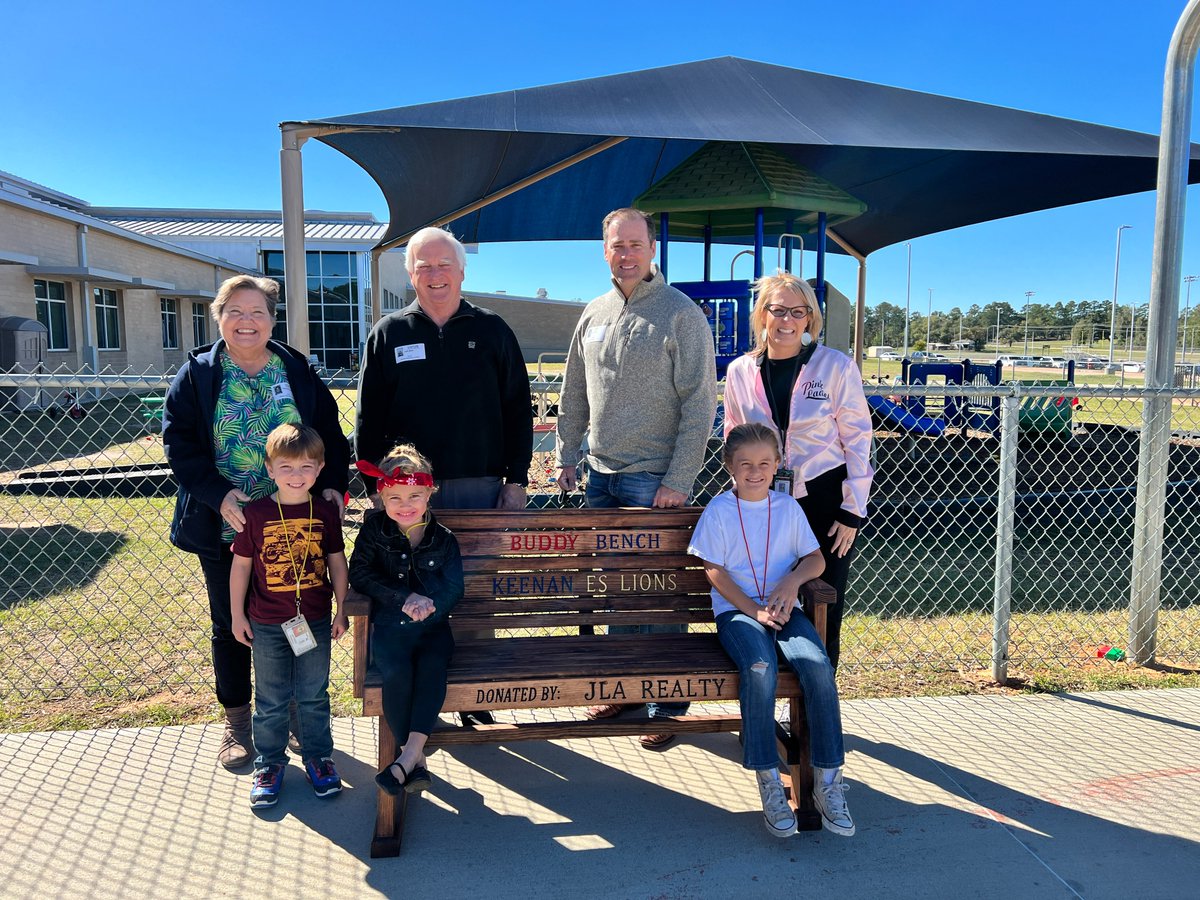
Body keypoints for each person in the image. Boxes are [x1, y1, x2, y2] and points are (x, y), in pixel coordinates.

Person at [163, 274, 351, 770]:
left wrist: (332, 481)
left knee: (293, 612)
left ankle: (289, 714)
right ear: (218, 317)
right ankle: (238, 724)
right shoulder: (199, 375)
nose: (247, 322)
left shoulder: (295, 370)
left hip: (297, 524)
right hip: (226, 524)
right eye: (236, 312)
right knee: (232, 625)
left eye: (258, 313)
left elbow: (329, 430)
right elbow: (178, 445)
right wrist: (217, 493)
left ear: (272, 319)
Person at [555, 207, 717, 749]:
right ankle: (624, 690)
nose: (625, 254)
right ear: (605, 251)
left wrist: (679, 477)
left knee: (659, 592)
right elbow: (574, 390)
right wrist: (566, 455)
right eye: (616, 245)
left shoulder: (680, 315)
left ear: (653, 249)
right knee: (615, 590)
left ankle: (667, 702)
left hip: (654, 480)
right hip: (601, 476)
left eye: (634, 244)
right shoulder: (594, 312)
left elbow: (700, 405)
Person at [356, 226, 531, 726]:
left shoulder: (493, 329)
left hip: (479, 485)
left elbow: (519, 408)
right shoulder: (389, 333)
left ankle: (474, 698)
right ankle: (422, 699)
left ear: (461, 270)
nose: (434, 274)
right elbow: (369, 416)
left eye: (443, 264)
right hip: (408, 494)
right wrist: (374, 486)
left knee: (473, 591)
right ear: (410, 273)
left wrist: (515, 480)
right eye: (423, 266)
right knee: (413, 590)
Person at [687, 423, 854, 838]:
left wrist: (791, 582)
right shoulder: (720, 510)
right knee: (759, 666)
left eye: (765, 463)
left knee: (816, 665)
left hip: (785, 608)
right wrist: (753, 611)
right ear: (729, 466)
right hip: (738, 614)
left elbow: (814, 560)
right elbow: (714, 571)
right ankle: (768, 780)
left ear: (778, 464)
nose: (755, 471)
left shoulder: (787, 508)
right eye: (745, 464)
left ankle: (828, 783)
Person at [722, 273, 873, 670]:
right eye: (778, 310)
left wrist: (852, 511)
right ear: (762, 314)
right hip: (764, 497)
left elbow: (858, 439)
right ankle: (766, 694)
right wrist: (738, 500)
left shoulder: (835, 366)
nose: (786, 320)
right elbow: (733, 436)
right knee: (767, 592)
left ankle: (816, 709)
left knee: (823, 601)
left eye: (798, 311)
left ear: (810, 319)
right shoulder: (740, 371)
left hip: (825, 496)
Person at [229, 424, 349, 808]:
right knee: (271, 698)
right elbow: (241, 567)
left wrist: (342, 609)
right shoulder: (257, 513)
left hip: (313, 619)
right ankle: (269, 763)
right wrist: (236, 615)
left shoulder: (326, 511)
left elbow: (336, 562)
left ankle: (318, 757)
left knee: (314, 694)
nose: (296, 476)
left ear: (320, 468)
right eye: (286, 467)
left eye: (306, 467)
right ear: (269, 469)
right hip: (265, 622)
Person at [349, 444, 464, 796]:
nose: (406, 504)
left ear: (430, 492)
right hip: (390, 630)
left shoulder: (443, 539)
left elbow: (455, 587)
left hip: (432, 629)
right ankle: (415, 759)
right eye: (395, 497)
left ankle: (407, 758)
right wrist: (403, 599)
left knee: (432, 667)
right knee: (397, 673)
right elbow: (361, 574)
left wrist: (431, 605)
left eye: (415, 494)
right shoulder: (373, 532)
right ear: (381, 495)